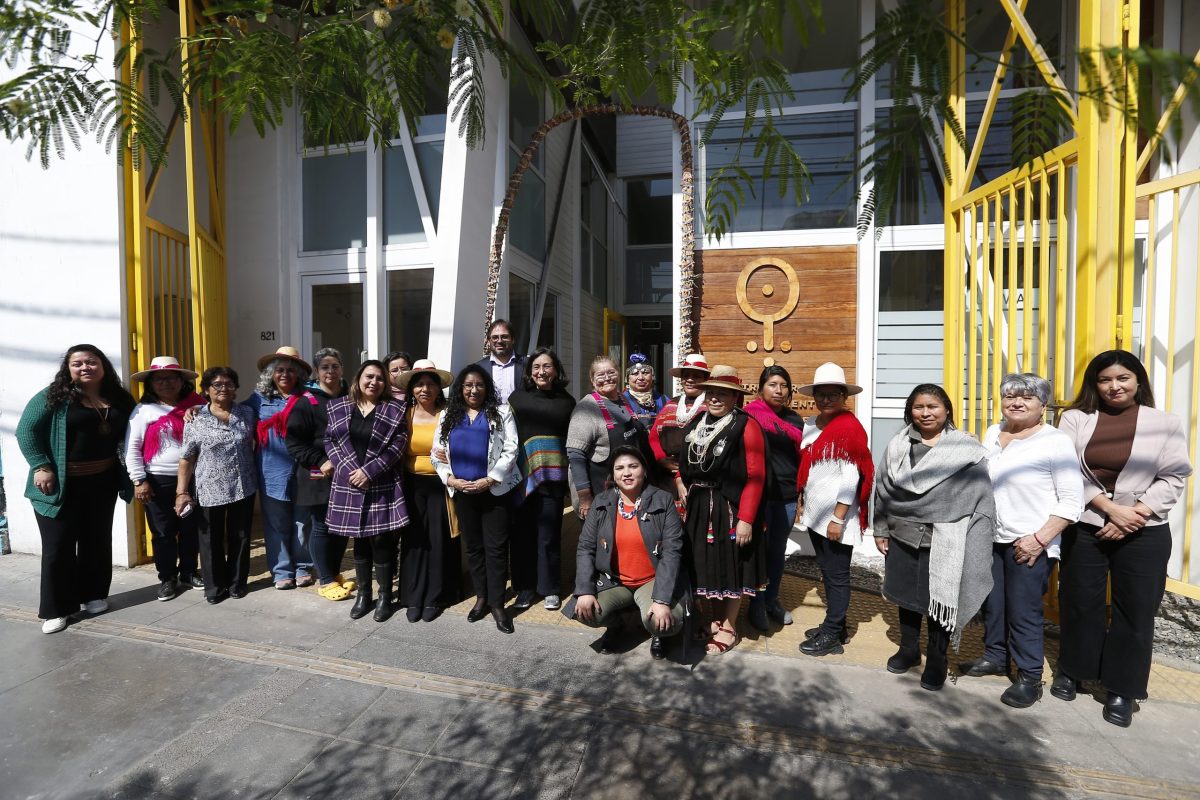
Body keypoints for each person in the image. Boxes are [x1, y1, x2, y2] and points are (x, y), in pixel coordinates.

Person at [1056, 350, 1191, 727]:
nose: (1114, 386)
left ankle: (1122, 688)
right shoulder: (1075, 418)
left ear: (1138, 381)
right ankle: (1074, 670)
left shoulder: (1164, 422)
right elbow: (1065, 470)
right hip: (1088, 522)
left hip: (1144, 528)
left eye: (1122, 378)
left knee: (1136, 609)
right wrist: (1108, 508)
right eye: (1105, 380)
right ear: (1094, 384)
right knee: (1080, 601)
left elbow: (1174, 476)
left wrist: (1133, 514)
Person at [959, 373, 1083, 708]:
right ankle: (995, 656)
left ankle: (1030, 676)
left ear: (1043, 405)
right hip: (991, 536)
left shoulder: (1055, 441)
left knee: (1024, 609)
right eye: (1010, 396)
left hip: (1029, 540)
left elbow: (1072, 501)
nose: (1016, 402)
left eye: (1027, 397)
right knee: (993, 603)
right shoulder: (993, 433)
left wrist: (1040, 539)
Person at [874, 384, 996, 691]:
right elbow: (883, 489)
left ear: (947, 410)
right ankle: (909, 649)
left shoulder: (965, 449)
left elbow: (978, 494)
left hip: (946, 537)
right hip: (903, 534)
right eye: (919, 407)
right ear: (910, 411)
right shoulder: (898, 446)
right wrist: (881, 529)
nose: (925, 413)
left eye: (933, 407)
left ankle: (937, 659)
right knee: (905, 597)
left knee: (941, 599)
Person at [17, 345, 136, 634]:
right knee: (58, 546)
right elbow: (26, 430)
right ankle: (57, 609)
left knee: (97, 540)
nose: (85, 367)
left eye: (91, 362)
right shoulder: (53, 396)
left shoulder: (120, 398)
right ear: (68, 369)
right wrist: (41, 465)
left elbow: (142, 424)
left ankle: (93, 595)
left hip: (102, 482)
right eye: (77, 363)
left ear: (103, 366)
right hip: (59, 485)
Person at [678, 365, 767, 656]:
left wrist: (746, 519)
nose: (715, 398)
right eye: (711, 393)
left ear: (735, 397)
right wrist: (679, 481)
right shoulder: (698, 422)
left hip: (729, 507)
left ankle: (729, 626)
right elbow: (684, 461)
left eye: (723, 394)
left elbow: (756, 476)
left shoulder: (746, 425)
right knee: (706, 564)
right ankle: (714, 619)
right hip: (699, 505)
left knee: (731, 566)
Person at [569, 446, 688, 659]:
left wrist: (662, 600)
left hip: (653, 579)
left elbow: (672, 552)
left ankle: (657, 633)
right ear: (613, 474)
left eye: (633, 466)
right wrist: (585, 591)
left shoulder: (663, 500)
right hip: (615, 580)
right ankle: (619, 623)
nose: (627, 473)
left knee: (662, 622)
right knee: (583, 611)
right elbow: (585, 547)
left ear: (644, 470)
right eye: (620, 468)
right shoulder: (601, 502)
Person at [431, 365, 522, 634]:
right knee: (473, 548)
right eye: (468, 385)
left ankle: (497, 604)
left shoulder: (501, 412)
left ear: (487, 388)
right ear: (460, 388)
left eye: (479, 385)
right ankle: (481, 597)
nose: (474, 390)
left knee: (496, 549)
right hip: (463, 492)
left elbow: (511, 448)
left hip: (494, 492)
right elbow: (436, 453)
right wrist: (450, 479)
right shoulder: (448, 414)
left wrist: (491, 479)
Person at [795, 363, 875, 658]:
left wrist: (838, 518)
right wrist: (803, 502)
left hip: (835, 518)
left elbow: (850, 478)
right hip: (817, 515)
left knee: (837, 576)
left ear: (844, 396)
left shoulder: (849, 428)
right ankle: (835, 627)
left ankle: (831, 633)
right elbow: (811, 469)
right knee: (828, 573)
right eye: (821, 394)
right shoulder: (812, 424)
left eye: (833, 394)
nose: (826, 399)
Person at [324, 360, 410, 623]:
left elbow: (398, 445)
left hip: (381, 482)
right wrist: (349, 471)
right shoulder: (338, 406)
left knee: (382, 541)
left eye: (380, 378)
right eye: (369, 377)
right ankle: (364, 594)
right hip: (349, 481)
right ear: (358, 379)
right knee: (359, 540)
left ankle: (384, 596)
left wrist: (369, 472)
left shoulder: (395, 409)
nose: (374, 382)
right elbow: (330, 440)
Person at [125, 356, 205, 602]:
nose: (166, 383)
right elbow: (132, 448)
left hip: (194, 478)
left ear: (182, 381)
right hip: (158, 480)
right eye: (159, 379)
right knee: (163, 532)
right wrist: (139, 480)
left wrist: (200, 409)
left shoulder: (199, 406)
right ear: (151, 384)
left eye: (171, 378)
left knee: (191, 528)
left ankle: (189, 571)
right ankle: (168, 577)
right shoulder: (143, 411)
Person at [176, 367, 259, 605]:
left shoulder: (247, 413)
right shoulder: (196, 418)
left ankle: (237, 583)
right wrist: (181, 492)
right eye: (217, 384)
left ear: (235, 388)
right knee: (210, 539)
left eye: (229, 384)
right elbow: (187, 457)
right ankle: (214, 587)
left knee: (241, 536)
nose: (223, 388)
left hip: (243, 484)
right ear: (206, 389)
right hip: (209, 487)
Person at [507, 348, 576, 611]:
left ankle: (550, 588)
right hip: (520, 477)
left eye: (547, 366)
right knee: (522, 534)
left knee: (549, 535)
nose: (541, 372)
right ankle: (525, 588)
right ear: (529, 371)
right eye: (536, 367)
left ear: (556, 370)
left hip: (553, 478)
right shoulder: (517, 398)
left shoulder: (567, 402)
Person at [285, 348, 354, 601]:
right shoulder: (306, 402)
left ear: (342, 368)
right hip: (318, 474)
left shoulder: (351, 398)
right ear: (316, 372)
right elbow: (294, 443)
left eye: (335, 366)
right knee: (322, 526)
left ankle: (334, 574)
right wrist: (320, 460)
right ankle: (325, 580)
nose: (330, 371)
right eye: (325, 367)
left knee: (342, 527)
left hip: (346, 474)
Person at [245, 345, 315, 590]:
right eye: (280, 370)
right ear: (271, 374)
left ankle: (303, 566)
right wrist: (197, 408)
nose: (285, 374)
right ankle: (282, 570)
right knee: (276, 523)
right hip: (271, 470)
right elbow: (229, 411)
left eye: (290, 370)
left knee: (302, 522)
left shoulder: (309, 398)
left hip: (304, 469)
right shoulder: (258, 399)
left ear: (299, 374)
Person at [394, 359, 459, 622]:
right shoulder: (404, 414)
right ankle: (412, 596)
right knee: (414, 540)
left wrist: (451, 456)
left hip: (441, 485)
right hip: (411, 484)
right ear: (412, 389)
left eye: (430, 384)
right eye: (419, 384)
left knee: (439, 540)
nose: (425, 389)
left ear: (438, 388)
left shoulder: (450, 414)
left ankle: (435, 597)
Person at [743, 365, 805, 631]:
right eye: (772, 384)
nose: (779, 390)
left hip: (786, 496)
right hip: (758, 496)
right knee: (758, 551)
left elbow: (800, 459)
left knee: (778, 551)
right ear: (760, 389)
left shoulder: (795, 420)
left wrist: (801, 494)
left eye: (784, 385)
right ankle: (755, 603)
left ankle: (771, 600)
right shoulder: (749, 416)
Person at [567, 356, 655, 520]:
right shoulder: (586, 409)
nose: (607, 378)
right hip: (601, 492)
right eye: (600, 375)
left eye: (611, 372)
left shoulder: (623, 400)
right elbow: (575, 456)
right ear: (592, 380)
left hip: (630, 490)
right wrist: (585, 498)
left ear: (619, 374)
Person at [649, 353, 709, 501]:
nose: (690, 380)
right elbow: (654, 436)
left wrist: (680, 474)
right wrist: (661, 459)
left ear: (705, 379)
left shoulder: (710, 406)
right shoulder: (670, 405)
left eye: (696, 376)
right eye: (686, 375)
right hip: (664, 477)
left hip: (696, 475)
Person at [475, 319, 527, 403]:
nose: (499, 341)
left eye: (504, 337)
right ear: (489, 341)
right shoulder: (478, 368)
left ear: (513, 339)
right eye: (495, 337)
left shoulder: (527, 364)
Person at [621, 352, 666, 428]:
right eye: (635, 374)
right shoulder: (621, 401)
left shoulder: (663, 400)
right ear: (627, 378)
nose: (641, 378)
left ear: (652, 376)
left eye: (645, 373)